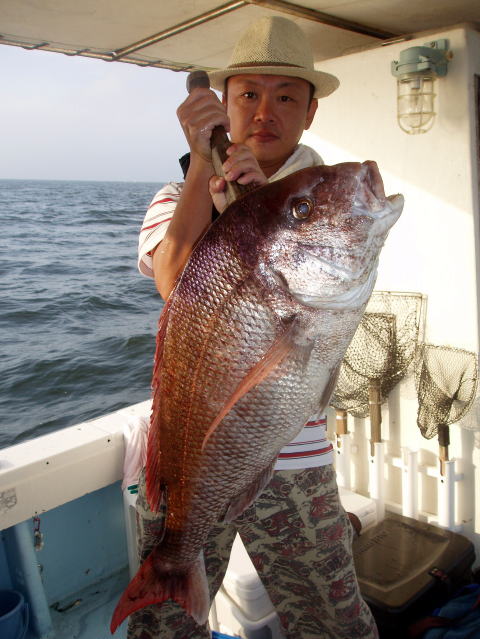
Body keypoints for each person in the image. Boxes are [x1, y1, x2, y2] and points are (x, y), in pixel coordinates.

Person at [132, 15, 378, 639]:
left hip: (297, 459)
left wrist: (267, 204)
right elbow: (174, 281)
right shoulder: (174, 197)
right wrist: (202, 169)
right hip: (191, 457)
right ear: (223, 105)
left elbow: (317, 283)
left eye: (287, 97)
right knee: (164, 626)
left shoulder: (316, 204)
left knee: (335, 622)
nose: (265, 111)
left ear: (310, 112)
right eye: (248, 94)